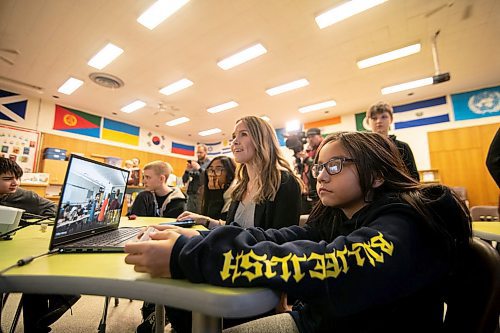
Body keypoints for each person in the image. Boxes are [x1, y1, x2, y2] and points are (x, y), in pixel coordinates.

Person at [124, 131, 472, 333]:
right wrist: (197, 240)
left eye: (334, 166)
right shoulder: (340, 213)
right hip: (322, 318)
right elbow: (283, 237)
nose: (320, 175)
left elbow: (322, 262)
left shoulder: (404, 224)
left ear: (377, 176)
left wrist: (189, 255)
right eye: (319, 166)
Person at [178, 115, 302, 230]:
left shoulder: (284, 182)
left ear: (262, 140)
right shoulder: (241, 186)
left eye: (243, 134)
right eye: (234, 136)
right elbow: (235, 229)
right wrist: (205, 220)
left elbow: (282, 240)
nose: (235, 142)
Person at [0, 157, 80, 332]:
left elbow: (55, 211)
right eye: (7, 179)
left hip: (18, 250)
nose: (15, 183)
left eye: (17, 178)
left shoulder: (24, 195)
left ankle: (37, 325)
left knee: (36, 273)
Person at [366, 102, 420, 181]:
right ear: (368, 121)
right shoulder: (363, 148)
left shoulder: (403, 147)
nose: (378, 121)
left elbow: (414, 177)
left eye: (384, 117)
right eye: (374, 118)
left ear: (391, 119)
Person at [201, 155, 237, 220]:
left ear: (230, 174)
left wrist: (216, 196)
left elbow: (217, 224)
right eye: (210, 170)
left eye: (218, 169)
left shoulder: (235, 194)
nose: (212, 174)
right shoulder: (209, 191)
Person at [182, 144, 211, 214]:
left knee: (199, 217)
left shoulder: (210, 164)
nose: (198, 154)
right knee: (188, 216)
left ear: (205, 153)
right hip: (190, 194)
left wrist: (199, 169)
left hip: (201, 196)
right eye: (197, 152)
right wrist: (187, 170)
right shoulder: (194, 164)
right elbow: (184, 180)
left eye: (200, 152)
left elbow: (207, 178)